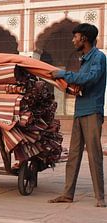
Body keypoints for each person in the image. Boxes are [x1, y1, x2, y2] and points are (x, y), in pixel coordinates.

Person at [48, 23, 107, 207]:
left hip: (92, 111)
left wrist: (65, 75)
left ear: (84, 38)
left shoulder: (98, 57)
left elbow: (90, 78)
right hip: (80, 110)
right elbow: (82, 84)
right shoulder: (84, 59)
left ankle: (100, 197)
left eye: (76, 37)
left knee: (94, 154)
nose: (73, 40)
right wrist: (71, 87)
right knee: (73, 154)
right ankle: (67, 193)